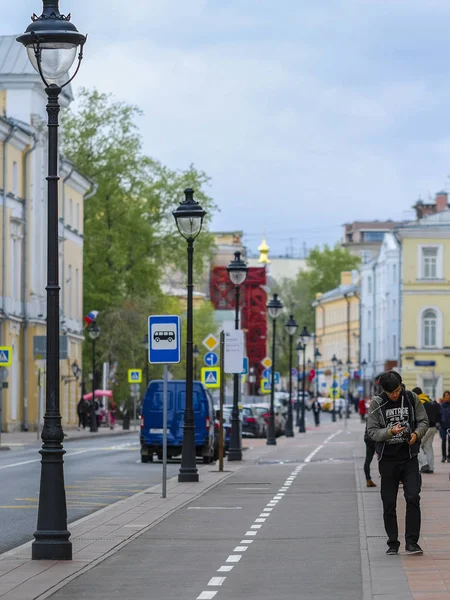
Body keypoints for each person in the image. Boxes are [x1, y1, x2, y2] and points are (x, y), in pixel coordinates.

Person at [367, 371, 428, 555]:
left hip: (409, 458)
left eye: (398, 390)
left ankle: (412, 542)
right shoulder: (377, 403)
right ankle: (393, 543)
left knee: (413, 497)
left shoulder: (411, 398)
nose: (396, 394)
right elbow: (372, 432)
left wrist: (416, 434)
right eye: (391, 392)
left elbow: (423, 421)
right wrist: (390, 432)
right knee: (388, 503)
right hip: (387, 460)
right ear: (384, 390)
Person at [412, 387, 440, 474]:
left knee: (417, 445)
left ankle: (424, 464)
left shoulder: (419, 402)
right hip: (433, 427)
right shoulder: (429, 400)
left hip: (425, 428)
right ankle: (431, 467)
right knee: (428, 447)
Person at [364, 423, 377, 488]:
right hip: (375, 439)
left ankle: (368, 480)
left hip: (368, 438)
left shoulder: (369, 414)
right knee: (384, 458)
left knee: (368, 460)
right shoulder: (376, 414)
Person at [439, 391, 450, 463]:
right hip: (442, 426)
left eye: (448, 395)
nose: (447, 397)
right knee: (443, 441)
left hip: (449, 426)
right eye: (445, 395)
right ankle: (443, 456)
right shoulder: (440, 405)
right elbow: (438, 415)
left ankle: (449, 456)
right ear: (443, 397)